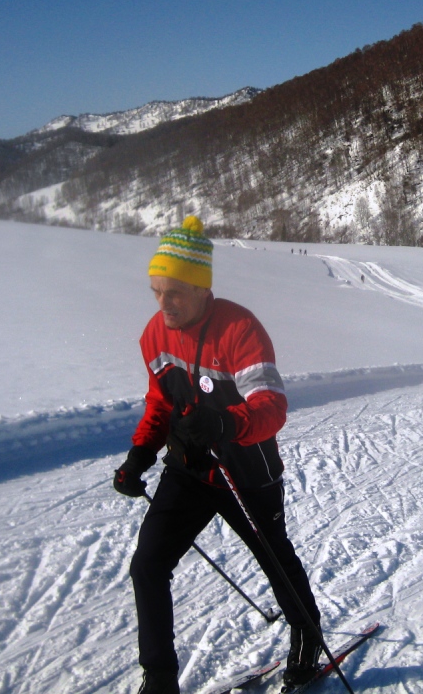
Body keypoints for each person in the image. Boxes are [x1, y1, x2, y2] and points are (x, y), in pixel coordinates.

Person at [113, 217, 322, 694]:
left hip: (247, 470)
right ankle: (160, 679)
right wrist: (140, 455)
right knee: (148, 564)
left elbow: (271, 406)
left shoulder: (239, 328)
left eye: (175, 293)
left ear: (203, 289)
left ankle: (308, 640)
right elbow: (160, 402)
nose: (164, 304)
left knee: (274, 559)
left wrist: (226, 423)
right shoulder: (154, 335)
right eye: (156, 292)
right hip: (189, 468)